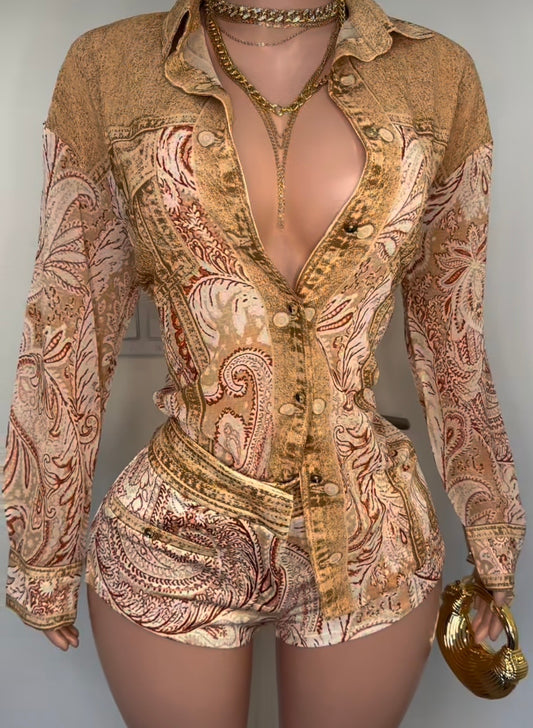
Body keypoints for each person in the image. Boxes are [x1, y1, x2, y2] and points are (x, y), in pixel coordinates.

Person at [2, 0, 526, 726]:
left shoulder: (437, 75)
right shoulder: (109, 66)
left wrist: (492, 527)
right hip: (175, 534)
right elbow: (69, 317)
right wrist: (43, 549)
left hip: (371, 535)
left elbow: (451, 330)